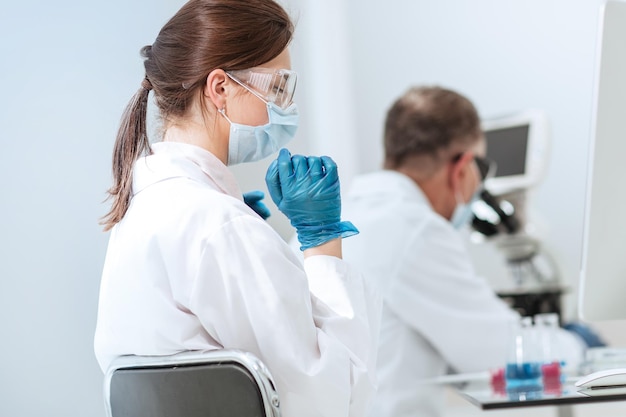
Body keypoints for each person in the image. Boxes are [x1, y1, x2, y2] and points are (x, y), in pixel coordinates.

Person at [93, 2, 380, 417]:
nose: (286, 107)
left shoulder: (144, 209)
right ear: (220, 88)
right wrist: (323, 243)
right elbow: (335, 401)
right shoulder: (218, 225)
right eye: (279, 88)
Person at [340, 86, 586, 417]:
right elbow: (501, 352)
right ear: (463, 167)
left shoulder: (341, 214)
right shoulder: (414, 229)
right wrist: (579, 343)